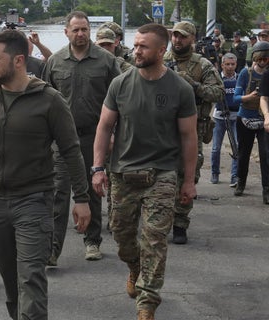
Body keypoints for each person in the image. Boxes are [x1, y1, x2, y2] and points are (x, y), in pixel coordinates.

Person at [0, 29, 91, 320]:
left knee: (31, 278)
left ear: (18, 61)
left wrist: (82, 198)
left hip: (34, 202)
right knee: (12, 284)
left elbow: (71, 150)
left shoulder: (49, 100)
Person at [93, 23, 198, 320]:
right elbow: (104, 127)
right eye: (135, 45)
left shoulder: (180, 89)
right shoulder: (121, 84)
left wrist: (188, 181)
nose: (136, 50)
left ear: (161, 51)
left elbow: (189, 137)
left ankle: (147, 302)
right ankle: (134, 267)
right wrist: (98, 168)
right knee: (124, 238)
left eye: (143, 46)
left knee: (154, 239)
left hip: (162, 174)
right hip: (123, 173)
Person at [42, 11, 121, 262]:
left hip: (93, 137)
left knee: (93, 189)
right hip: (61, 141)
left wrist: (113, 135)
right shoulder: (55, 62)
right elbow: (43, 103)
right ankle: (53, 250)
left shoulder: (106, 61)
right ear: (66, 32)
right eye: (75, 29)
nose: (80, 34)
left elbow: (120, 99)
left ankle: (92, 241)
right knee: (58, 193)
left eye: (84, 29)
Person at [163, 21, 224, 244]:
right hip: (162, 130)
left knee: (188, 176)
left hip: (193, 130)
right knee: (159, 174)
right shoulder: (162, 59)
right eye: (175, 36)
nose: (177, 40)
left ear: (192, 39)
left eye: (183, 37)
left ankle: (180, 223)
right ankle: (159, 219)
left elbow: (218, 93)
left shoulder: (203, 65)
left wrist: (193, 85)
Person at [232, 41, 269, 202]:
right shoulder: (245, 73)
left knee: (266, 154)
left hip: (264, 120)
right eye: (260, 59)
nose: (262, 62)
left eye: (266, 59)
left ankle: (266, 189)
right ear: (254, 58)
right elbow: (235, 98)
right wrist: (250, 96)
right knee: (243, 153)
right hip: (245, 117)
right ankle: (241, 182)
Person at [210, 53, 239, 187]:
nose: (230, 67)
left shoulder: (239, 78)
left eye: (232, 64)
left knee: (236, 147)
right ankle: (215, 173)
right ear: (222, 65)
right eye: (227, 64)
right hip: (219, 117)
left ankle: (234, 176)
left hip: (235, 117)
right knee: (216, 148)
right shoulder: (217, 79)